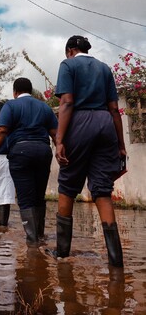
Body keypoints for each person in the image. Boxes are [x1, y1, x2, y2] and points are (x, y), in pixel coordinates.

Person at [53, 35, 126, 267]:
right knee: (102, 190)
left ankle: (62, 253)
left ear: (70, 50)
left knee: (67, 185)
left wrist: (59, 139)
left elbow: (66, 102)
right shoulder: (104, 69)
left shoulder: (68, 64)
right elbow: (115, 109)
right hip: (106, 125)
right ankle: (116, 261)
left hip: (80, 123)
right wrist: (121, 145)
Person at [0, 78, 58, 243]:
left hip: (20, 152)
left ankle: (32, 241)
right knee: (39, 196)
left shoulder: (10, 106)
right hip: (43, 151)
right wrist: (60, 149)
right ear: (31, 91)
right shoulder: (44, 107)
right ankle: (40, 235)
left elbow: (2, 130)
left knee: (25, 197)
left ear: (15, 92)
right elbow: (55, 133)